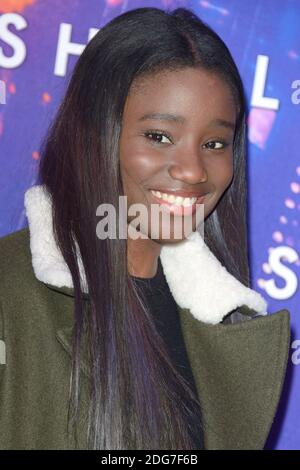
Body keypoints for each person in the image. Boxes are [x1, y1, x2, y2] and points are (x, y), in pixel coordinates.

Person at [0, 7, 290, 450]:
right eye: (158, 136)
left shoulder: (227, 321)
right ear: (94, 131)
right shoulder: (9, 293)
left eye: (214, 144)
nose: (193, 170)